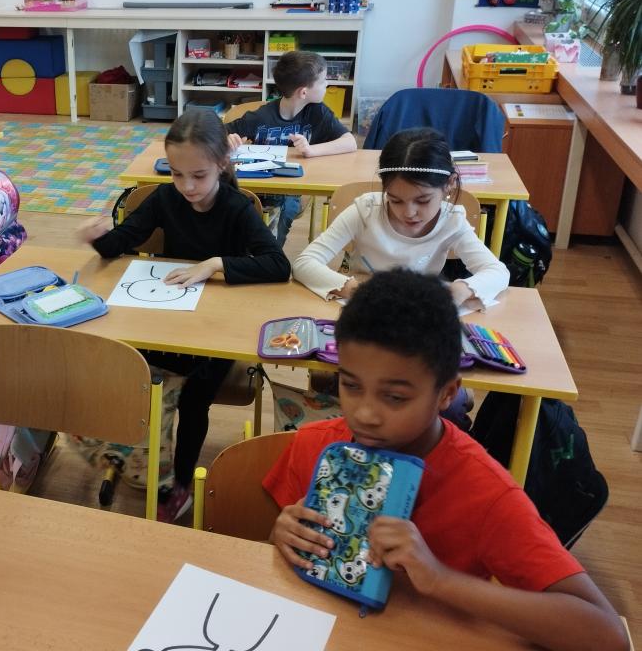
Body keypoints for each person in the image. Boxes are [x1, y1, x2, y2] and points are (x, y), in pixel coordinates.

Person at [264, 270, 629, 651]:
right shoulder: (314, 445)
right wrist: (280, 535)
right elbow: (265, 558)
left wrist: (439, 579)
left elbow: (607, 636)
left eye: (395, 397)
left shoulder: (486, 493)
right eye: (351, 385)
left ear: (447, 393)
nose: (365, 414)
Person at [78, 110, 290, 523]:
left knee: (194, 397)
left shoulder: (236, 208)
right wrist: (97, 237)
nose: (187, 186)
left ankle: (179, 484)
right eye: (177, 175)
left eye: (199, 176)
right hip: (167, 322)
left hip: (215, 333)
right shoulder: (165, 198)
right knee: (128, 368)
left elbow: (278, 265)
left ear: (221, 165)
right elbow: (120, 243)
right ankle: (135, 452)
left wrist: (215, 264)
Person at [294, 127, 508, 312]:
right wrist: (357, 291)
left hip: (418, 316)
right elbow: (305, 262)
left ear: (449, 184)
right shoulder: (366, 211)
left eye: (423, 201)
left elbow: (497, 272)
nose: (408, 212)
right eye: (395, 200)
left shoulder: (452, 221)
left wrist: (460, 290)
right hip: (365, 310)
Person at [226, 51, 357, 246]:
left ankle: (270, 252)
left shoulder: (318, 113)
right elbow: (216, 132)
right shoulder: (261, 117)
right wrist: (226, 139)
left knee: (284, 208)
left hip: (289, 190)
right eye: (323, 81)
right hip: (257, 187)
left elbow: (350, 142)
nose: (327, 84)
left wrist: (312, 150)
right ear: (303, 92)